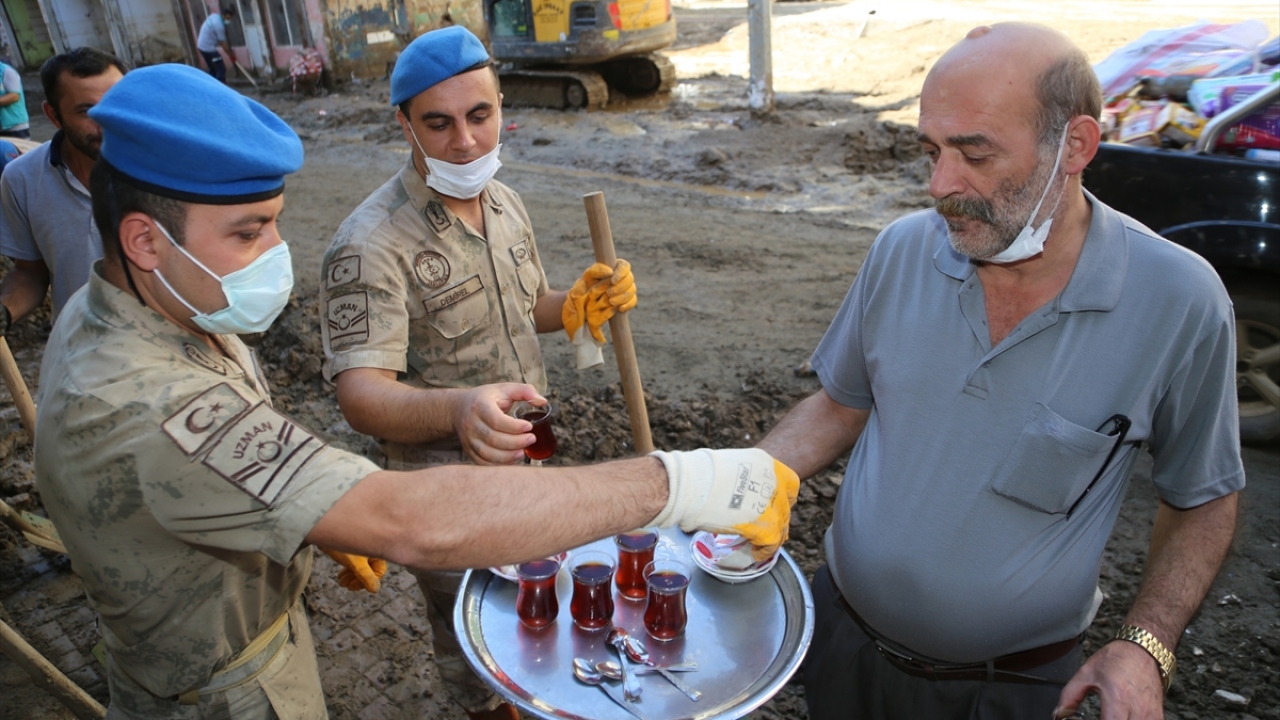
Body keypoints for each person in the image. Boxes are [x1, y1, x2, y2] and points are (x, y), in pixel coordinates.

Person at [34, 62, 798, 720]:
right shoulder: (143, 398)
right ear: (144, 238)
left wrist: (304, 514)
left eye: (273, 224)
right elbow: (402, 510)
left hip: (255, 625)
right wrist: (690, 480)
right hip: (221, 688)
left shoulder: (160, 302)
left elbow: (236, 447)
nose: (276, 252)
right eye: (249, 232)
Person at [757, 23, 1243, 720]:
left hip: (1011, 691)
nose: (940, 186)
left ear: (1074, 146)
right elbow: (839, 406)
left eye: (975, 155)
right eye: (931, 150)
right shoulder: (901, 251)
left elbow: (1204, 499)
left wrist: (1145, 645)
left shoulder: (1178, 300)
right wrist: (741, 487)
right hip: (842, 648)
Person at [318, 26, 635, 720]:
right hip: (445, 491)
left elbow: (526, 308)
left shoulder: (503, 203)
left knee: (536, 619)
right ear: (404, 124)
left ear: (501, 106)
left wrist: (577, 305)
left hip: (526, 466)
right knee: (479, 650)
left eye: (479, 115)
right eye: (438, 123)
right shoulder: (370, 244)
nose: (465, 142)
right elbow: (361, 394)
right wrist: (460, 409)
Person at [0, 48, 125, 336]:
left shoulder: (168, 166)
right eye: (87, 111)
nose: (108, 122)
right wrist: (5, 309)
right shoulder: (22, 179)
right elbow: (31, 272)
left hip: (176, 353)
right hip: (82, 352)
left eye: (116, 103)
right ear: (53, 116)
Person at [197, 6, 236, 83]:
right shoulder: (219, 26)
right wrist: (231, 55)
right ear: (223, 15)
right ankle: (220, 85)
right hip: (208, 48)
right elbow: (223, 45)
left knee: (212, 68)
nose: (228, 20)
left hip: (200, 46)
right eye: (227, 18)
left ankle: (211, 86)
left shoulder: (214, 16)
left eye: (230, 18)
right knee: (221, 68)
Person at [0, 56, 29, 139]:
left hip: (15, 126)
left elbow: (14, 96)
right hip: (2, 128)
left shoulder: (7, 71)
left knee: (22, 151)